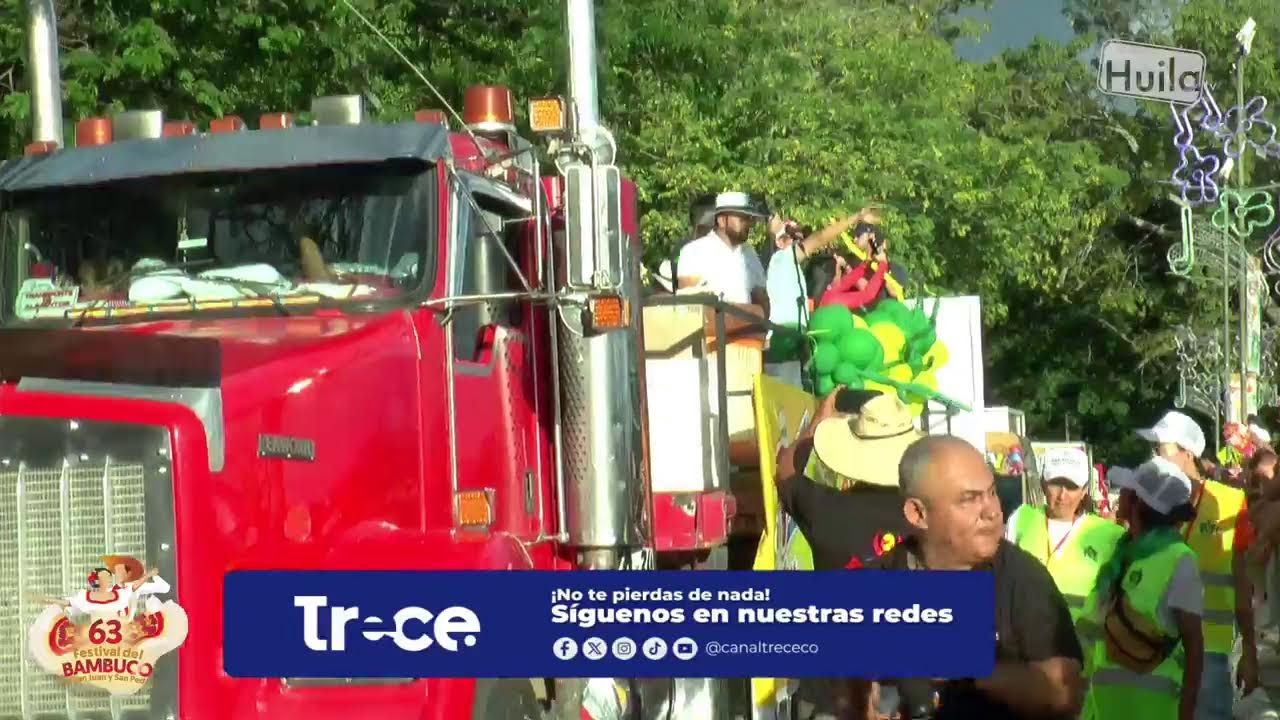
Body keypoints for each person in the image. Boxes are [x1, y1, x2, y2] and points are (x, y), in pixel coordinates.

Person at [858, 435, 1085, 720]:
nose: (993, 511)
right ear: (917, 513)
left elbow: (1065, 692)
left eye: (992, 492)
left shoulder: (1021, 576)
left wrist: (962, 663)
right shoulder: (878, 582)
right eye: (969, 499)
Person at [774, 387, 937, 719]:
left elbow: (785, 471)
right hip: (910, 690)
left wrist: (819, 421)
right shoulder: (931, 519)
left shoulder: (826, 511)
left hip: (834, 692)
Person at [1136, 410, 1259, 719]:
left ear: (1187, 453)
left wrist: (1250, 652)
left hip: (1211, 653)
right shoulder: (1148, 505)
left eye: (1161, 450)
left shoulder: (1230, 502)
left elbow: (1242, 585)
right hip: (1156, 649)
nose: (1154, 458)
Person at [1076, 459, 1204, 720]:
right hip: (1102, 708)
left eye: (1127, 490)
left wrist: (1187, 714)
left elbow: (1194, 646)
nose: (1119, 494)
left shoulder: (1179, 559)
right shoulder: (1121, 552)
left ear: (1139, 503)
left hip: (1152, 711)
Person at [1005, 447, 1126, 632]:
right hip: (1027, 642)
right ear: (1043, 484)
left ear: (1084, 490)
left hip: (1082, 647)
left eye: (1071, 486)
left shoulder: (1111, 535)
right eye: (1056, 484)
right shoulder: (1020, 519)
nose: (1063, 495)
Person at [762, 208, 882, 386]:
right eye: (790, 237)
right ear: (779, 241)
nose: (797, 241)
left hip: (793, 344)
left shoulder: (782, 264)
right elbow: (820, 238)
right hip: (781, 347)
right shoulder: (781, 259)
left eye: (797, 237)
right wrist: (855, 218)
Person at [675, 191, 770, 316]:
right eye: (742, 218)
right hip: (711, 328)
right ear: (722, 220)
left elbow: (763, 304)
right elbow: (689, 308)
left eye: (750, 218)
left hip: (749, 327)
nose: (749, 224)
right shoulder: (693, 252)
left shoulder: (749, 254)